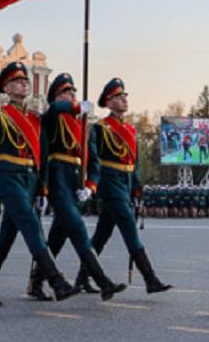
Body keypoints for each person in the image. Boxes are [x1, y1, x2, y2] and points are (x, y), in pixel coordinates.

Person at [0, 62, 76, 306]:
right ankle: (56, 280)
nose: (24, 84)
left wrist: (42, 189)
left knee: (5, 238)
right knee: (31, 224)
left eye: (25, 80)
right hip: (8, 177)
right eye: (17, 81)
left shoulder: (35, 120)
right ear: (6, 87)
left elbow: (42, 157)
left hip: (29, 180)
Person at [25, 73, 126, 301]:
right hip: (58, 178)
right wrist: (73, 105)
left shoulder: (83, 124)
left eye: (74, 91)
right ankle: (103, 281)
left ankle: (37, 280)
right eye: (67, 91)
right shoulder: (52, 116)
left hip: (76, 182)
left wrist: (91, 185)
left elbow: (94, 161)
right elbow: (54, 109)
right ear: (56, 96)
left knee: (58, 237)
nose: (72, 95)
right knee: (79, 229)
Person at [73, 77, 171, 294]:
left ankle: (82, 277)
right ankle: (150, 278)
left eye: (125, 96)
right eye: (118, 97)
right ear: (108, 103)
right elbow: (93, 158)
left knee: (102, 234)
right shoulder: (101, 128)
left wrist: (136, 186)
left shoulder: (130, 129)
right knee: (129, 227)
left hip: (125, 183)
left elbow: (134, 161)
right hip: (110, 182)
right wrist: (91, 183)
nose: (124, 99)